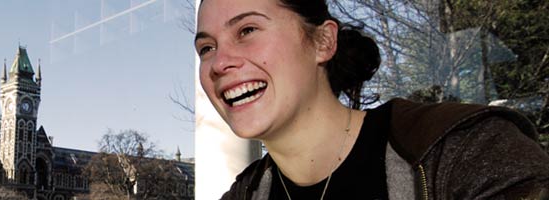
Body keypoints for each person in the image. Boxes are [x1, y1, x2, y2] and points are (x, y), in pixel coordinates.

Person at [194, 0, 549, 199]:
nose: (219, 63)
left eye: (247, 30)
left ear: (323, 42)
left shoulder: (463, 153)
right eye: (207, 47)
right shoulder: (244, 195)